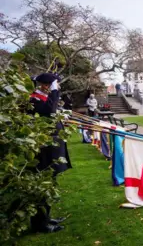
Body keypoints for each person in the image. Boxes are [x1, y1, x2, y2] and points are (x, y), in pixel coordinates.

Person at [29, 73, 72, 233]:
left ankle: (46, 217)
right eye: (55, 85)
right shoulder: (35, 99)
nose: (58, 88)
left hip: (51, 149)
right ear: (46, 85)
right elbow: (49, 113)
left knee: (49, 184)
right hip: (43, 151)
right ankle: (40, 224)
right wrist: (54, 93)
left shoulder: (44, 98)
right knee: (41, 186)